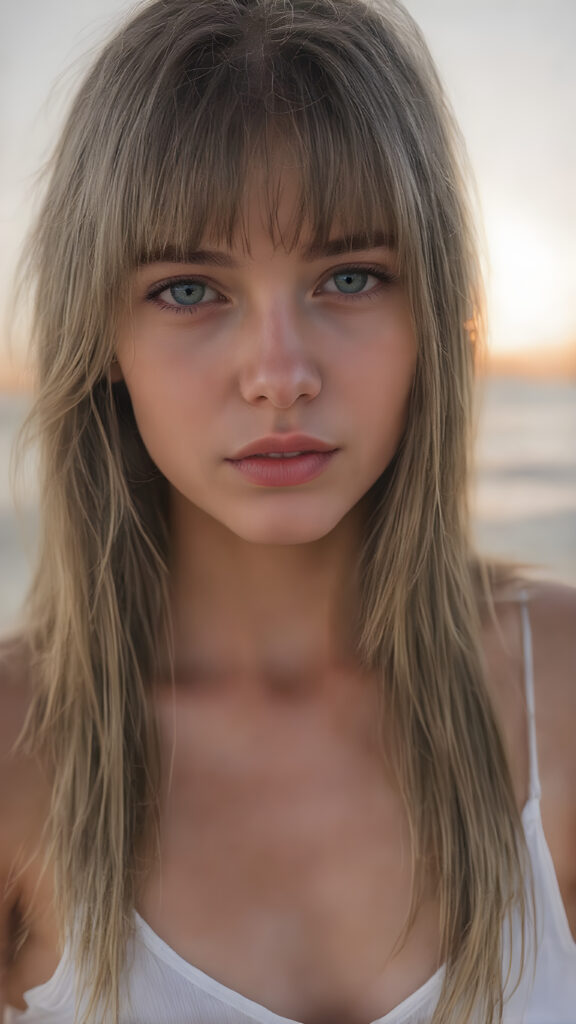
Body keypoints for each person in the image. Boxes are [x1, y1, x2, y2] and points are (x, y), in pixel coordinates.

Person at [1, 0, 575, 1021]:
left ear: (435, 316)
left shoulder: (561, 695)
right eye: (190, 289)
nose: (279, 375)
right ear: (102, 336)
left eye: (350, 276)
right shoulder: (18, 752)